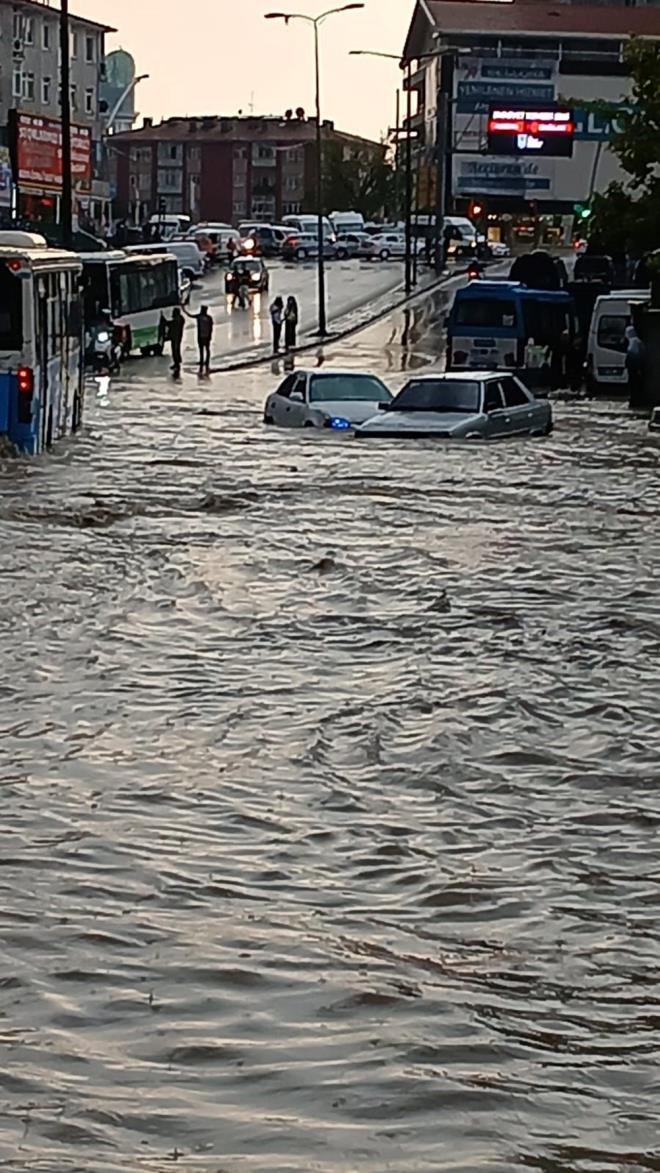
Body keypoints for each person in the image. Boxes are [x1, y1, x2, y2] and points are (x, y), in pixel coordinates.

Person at [184, 305, 213, 372]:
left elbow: (190, 315)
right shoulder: (208, 318)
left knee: (202, 349)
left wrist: (184, 310)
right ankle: (206, 361)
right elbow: (211, 328)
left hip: (201, 336)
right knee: (206, 349)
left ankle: (203, 361)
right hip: (206, 336)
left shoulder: (199, 317)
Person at [625, 323, 645, 410]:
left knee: (634, 384)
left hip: (634, 369)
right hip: (634, 368)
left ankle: (635, 401)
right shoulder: (636, 341)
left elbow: (634, 356)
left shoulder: (634, 342)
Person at [169, 306, 185, 377]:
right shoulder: (180, 319)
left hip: (175, 336)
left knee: (175, 350)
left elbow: (171, 324)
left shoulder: (177, 320)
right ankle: (177, 362)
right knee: (176, 349)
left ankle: (177, 363)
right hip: (177, 336)